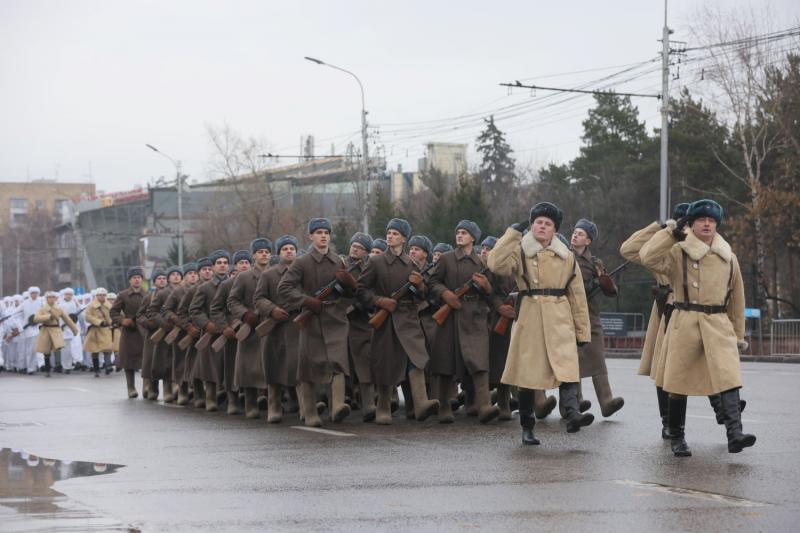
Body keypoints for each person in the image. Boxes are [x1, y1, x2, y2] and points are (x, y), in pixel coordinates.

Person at [640, 199, 754, 456]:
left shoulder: (729, 257)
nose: (707, 224)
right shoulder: (677, 252)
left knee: (729, 378)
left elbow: (737, 300)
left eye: (711, 221)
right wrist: (670, 232)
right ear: (690, 225)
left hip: (718, 324)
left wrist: (737, 335)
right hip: (685, 321)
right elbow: (647, 256)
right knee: (678, 383)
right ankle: (677, 437)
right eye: (701, 220)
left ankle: (735, 434)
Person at [487, 202, 594, 445]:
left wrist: (582, 330)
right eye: (538, 222)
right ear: (532, 226)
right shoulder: (520, 250)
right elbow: (496, 264)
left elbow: (577, 295)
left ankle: (573, 415)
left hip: (560, 315)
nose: (542, 227)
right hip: (530, 316)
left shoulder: (566, 256)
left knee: (567, 368)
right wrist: (512, 234)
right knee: (528, 376)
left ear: (555, 230)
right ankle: (527, 426)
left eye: (548, 224)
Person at [357, 219, 439, 424]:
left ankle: (420, 403)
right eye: (389, 233)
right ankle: (383, 406)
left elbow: (422, 296)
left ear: (404, 238)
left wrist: (420, 286)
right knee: (386, 362)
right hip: (387, 320)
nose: (390, 236)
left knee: (417, 359)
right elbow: (360, 289)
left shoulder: (411, 264)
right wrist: (379, 301)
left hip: (409, 319)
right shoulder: (376, 262)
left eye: (395, 233)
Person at [278, 218, 356, 427]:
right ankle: (311, 413)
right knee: (309, 367)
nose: (323, 236)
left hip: (335, 318)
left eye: (326, 232)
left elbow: (347, 294)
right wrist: (306, 301)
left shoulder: (339, 261)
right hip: (312, 319)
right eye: (319, 232)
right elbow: (284, 288)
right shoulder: (301, 262)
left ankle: (337, 406)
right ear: (311, 236)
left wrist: (350, 287)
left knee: (338, 362)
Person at [429, 220, 500, 424]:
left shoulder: (482, 263)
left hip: (475, 315)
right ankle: (443, 406)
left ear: (473, 238)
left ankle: (484, 405)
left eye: (464, 233)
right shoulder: (446, 259)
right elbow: (433, 282)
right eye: (458, 232)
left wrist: (486, 288)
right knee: (445, 362)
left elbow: (492, 294)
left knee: (480, 362)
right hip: (451, 313)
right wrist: (445, 294)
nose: (459, 235)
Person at [570, 218, 624, 418]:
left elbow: (612, 292)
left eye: (581, 233)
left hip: (591, 314)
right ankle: (574, 402)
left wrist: (605, 283)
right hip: (568, 314)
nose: (575, 235)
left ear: (589, 241)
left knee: (598, 357)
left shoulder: (595, 262)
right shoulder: (564, 257)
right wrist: (588, 286)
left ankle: (606, 401)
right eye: (575, 232)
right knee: (572, 359)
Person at [254, 235, 300, 423]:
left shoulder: (302, 271)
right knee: (274, 366)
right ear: (279, 253)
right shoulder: (268, 274)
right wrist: (272, 310)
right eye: (285, 249)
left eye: (292, 248)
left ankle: (304, 406)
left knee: (299, 367)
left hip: (298, 326)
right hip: (275, 327)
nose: (289, 251)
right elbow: (258, 299)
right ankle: (274, 405)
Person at [229, 239, 274, 418]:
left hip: (272, 325)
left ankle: (273, 404)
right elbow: (232, 301)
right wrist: (245, 315)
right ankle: (250, 404)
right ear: (254, 255)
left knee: (272, 366)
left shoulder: (277, 273)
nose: (264, 254)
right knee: (248, 368)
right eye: (260, 251)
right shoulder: (244, 277)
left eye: (267, 251)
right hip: (251, 327)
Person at [480, 236, 517, 421]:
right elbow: (490, 293)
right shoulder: (494, 268)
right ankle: (499, 402)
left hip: (519, 319)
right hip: (498, 318)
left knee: (516, 362)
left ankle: (515, 401)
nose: (485, 251)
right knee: (499, 362)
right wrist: (500, 307)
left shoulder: (520, 265)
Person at [210, 250, 251, 414]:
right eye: (241, 263)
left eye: (247, 262)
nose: (244, 265)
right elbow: (216, 309)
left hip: (252, 330)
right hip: (232, 332)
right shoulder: (227, 285)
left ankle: (250, 400)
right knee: (231, 367)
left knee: (252, 367)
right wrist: (224, 327)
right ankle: (232, 400)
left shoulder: (258, 280)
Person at [189, 250, 230, 410]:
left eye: (225, 263)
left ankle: (230, 399)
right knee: (209, 367)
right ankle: (211, 397)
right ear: (213, 267)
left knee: (229, 366)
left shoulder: (234, 283)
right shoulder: (205, 288)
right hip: (211, 333)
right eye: (219, 263)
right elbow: (195, 310)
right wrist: (206, 325)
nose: (222, 265)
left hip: (230, 331)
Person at [343, 232, 374, 422]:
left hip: (361, 321)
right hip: (338, 319)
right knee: (339, 363)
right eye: (353, 245)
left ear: (366, 252)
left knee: (364, 363)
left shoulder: (369, 269)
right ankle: (340, 401)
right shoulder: (340, 265)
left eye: (360, 247)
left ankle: (368, 403)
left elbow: (372, 293)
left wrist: (359, 305)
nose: (355, 248)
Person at [147, 266, 183, 401]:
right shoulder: (162, 293)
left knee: (179, 361)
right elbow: (152, 311)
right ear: (168, 278)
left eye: (178, 274)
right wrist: (163, 323)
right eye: (173, 274)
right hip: (166, 333)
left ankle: (178, 387)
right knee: (165, 362)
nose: (176, 277)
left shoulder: (187, 291)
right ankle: (166, 390)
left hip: (181, 331)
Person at [110, 268, 146, 398]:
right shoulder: (123, 295)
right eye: (134, 277)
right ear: (130, 280)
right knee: (128, 361)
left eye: (139, 277)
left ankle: (147, 387)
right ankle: (131, 388)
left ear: (142, 279)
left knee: (145, 360)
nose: (137, 279)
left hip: (143, 330)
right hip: (129, 331)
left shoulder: (148, 295)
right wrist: (122, 320)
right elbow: (113, 312)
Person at [34, 291, 79, 377]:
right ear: (46, 299)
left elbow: (67, 319)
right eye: (49, 297)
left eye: (53, 297)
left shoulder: (59, 309)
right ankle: (47, 370)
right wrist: (48, 317)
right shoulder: (42, 309)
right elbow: (36, 318)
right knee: (46, 351)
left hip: (55, 329)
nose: (51, 299)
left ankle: (58, 365)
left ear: (55, 298)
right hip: (45, 329)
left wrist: (74, 329)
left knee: (58, 347)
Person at [137, 270, 166, 399]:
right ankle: (149, 386)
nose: (162, 280)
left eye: (164, 278)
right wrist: (148, 323)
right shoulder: (148, 297)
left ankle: (168, 389)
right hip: (152, 334)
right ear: (154, 282)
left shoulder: (171, 294)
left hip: (167, 333)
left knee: (165, 361)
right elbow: (140, 315)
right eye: (159, 278)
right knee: (150, 361)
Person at [83, 288, 114, 378]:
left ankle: (108, 366)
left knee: (107, 348)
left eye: (104, 295)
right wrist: (98, 322)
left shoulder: (109, 305)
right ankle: (96, 369)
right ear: (96, 296)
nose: (102, 297)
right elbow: (87, 317)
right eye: (100, 295)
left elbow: (112, 315)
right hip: (95, 330)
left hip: (106, 329)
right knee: (95, 350)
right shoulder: (91, 306)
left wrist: (111, 323)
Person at [58, 288, 82, 374]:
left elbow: (80, 314)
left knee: (76, 346)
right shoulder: (60, 304)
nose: (69, 296)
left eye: (70, 294)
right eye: (67, 294)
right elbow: (58, 316)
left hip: (74, 328)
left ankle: (77, 361)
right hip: (64, 328)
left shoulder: (75, 303)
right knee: (66, 350)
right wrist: (61, 325)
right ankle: (66, 366)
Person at [21, 287, 43, 374]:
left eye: (36, 293)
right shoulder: (24, 303)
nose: (35, 294)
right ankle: (30, 368)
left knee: (39, 348)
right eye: (33, 293)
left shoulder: (41, 302)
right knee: (30, 350)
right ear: (30, 293)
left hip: (39, 328)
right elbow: (17, 314)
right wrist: (20, 326)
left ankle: (41, 365)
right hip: (28, 329)